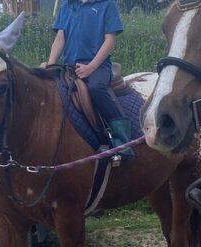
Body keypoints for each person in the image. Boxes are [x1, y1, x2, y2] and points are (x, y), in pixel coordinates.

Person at [40, 0, 135, 159]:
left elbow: (110, 39)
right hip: (70, 66)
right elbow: (60, 38)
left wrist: (90, 67)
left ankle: (122, 139)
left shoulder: (106, 4)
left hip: (98, 66)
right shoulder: (67, 5)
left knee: (95, 88)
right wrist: (51, 64)